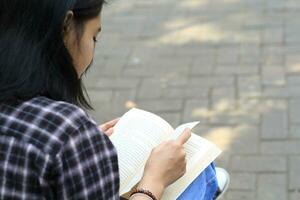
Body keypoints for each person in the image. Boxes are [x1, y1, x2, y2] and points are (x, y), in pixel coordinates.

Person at [0, 0, 228, 199]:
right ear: (67, 27)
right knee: (200, 176)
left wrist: (80, 149)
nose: (92, 50)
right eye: (94, 36)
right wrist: (153, 182)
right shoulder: (69, 130)